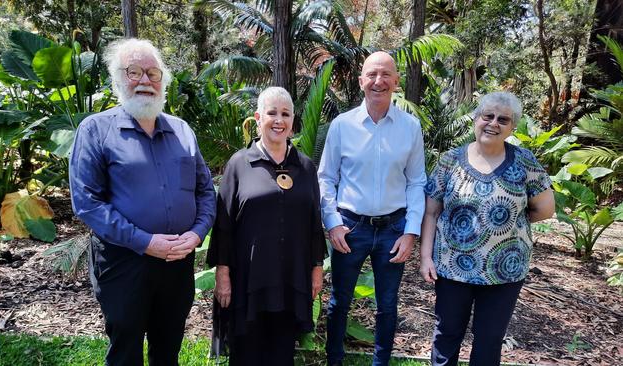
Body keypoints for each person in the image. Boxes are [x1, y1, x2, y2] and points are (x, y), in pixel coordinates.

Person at [69, 38, 216, 366]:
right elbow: (87, 202)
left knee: (169, 347)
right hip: (125, 262)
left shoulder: (182, 130)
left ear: (163, 80)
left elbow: (205, 191)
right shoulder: (95, 130)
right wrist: (145, 242)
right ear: (117, 79)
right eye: (134, 72)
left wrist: (197, 234)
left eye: (153, 72)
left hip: (177, 262)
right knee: (126, 350)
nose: (145, 80)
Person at [420, 92, 555, 366]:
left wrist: (507, 222)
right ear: (476, 118)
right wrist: (425, 258)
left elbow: (545, 209)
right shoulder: (450, 161)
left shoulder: (525, 162)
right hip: (452, 268)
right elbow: (432, 212)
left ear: (511, 127)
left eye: (502, 119)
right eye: (488, 116)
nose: (493, 123)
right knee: (446, 334)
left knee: (489, 340)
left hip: (505, 270)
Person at [318, 51, 427, 366]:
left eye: (386, 75)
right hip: (350, 228)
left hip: (394, 228)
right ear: (361, 80)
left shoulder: (410, 127)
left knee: (388, 305)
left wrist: (411, 232)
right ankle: (334, 361)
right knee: (339, 302)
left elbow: (417, 182)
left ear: (396, 81)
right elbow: (326, 178)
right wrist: (333, 223)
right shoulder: (342, 126)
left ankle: (381, 363)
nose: (378, 82)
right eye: (372, 75)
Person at [207, 86, 326, 365]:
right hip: (249, 280)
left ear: (293, 120)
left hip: (290, 278)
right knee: (247, 351)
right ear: (258, 118)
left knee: (282, 352)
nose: (278, 120)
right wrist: (222, 275)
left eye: (285, 114)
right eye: (272, 113)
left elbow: (313, 222)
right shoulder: (239, 164)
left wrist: (316, 270)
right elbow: (223, 225)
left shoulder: (306, 167)